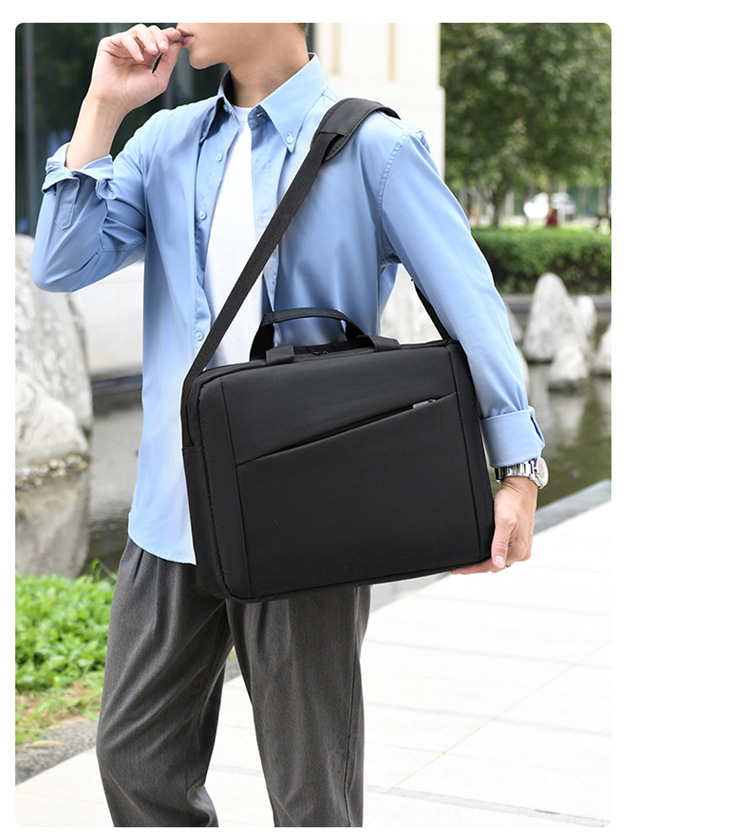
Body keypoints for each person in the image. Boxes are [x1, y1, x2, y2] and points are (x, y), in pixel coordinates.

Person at [30, 23, 546, 827]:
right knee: (133, 760)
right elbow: (61, 263)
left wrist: (517, 469)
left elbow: (470, 304)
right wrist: (102, 108)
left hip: (309, 512)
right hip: (172, 508)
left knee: (312, 798)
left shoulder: (373, 146)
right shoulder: (165, 141)